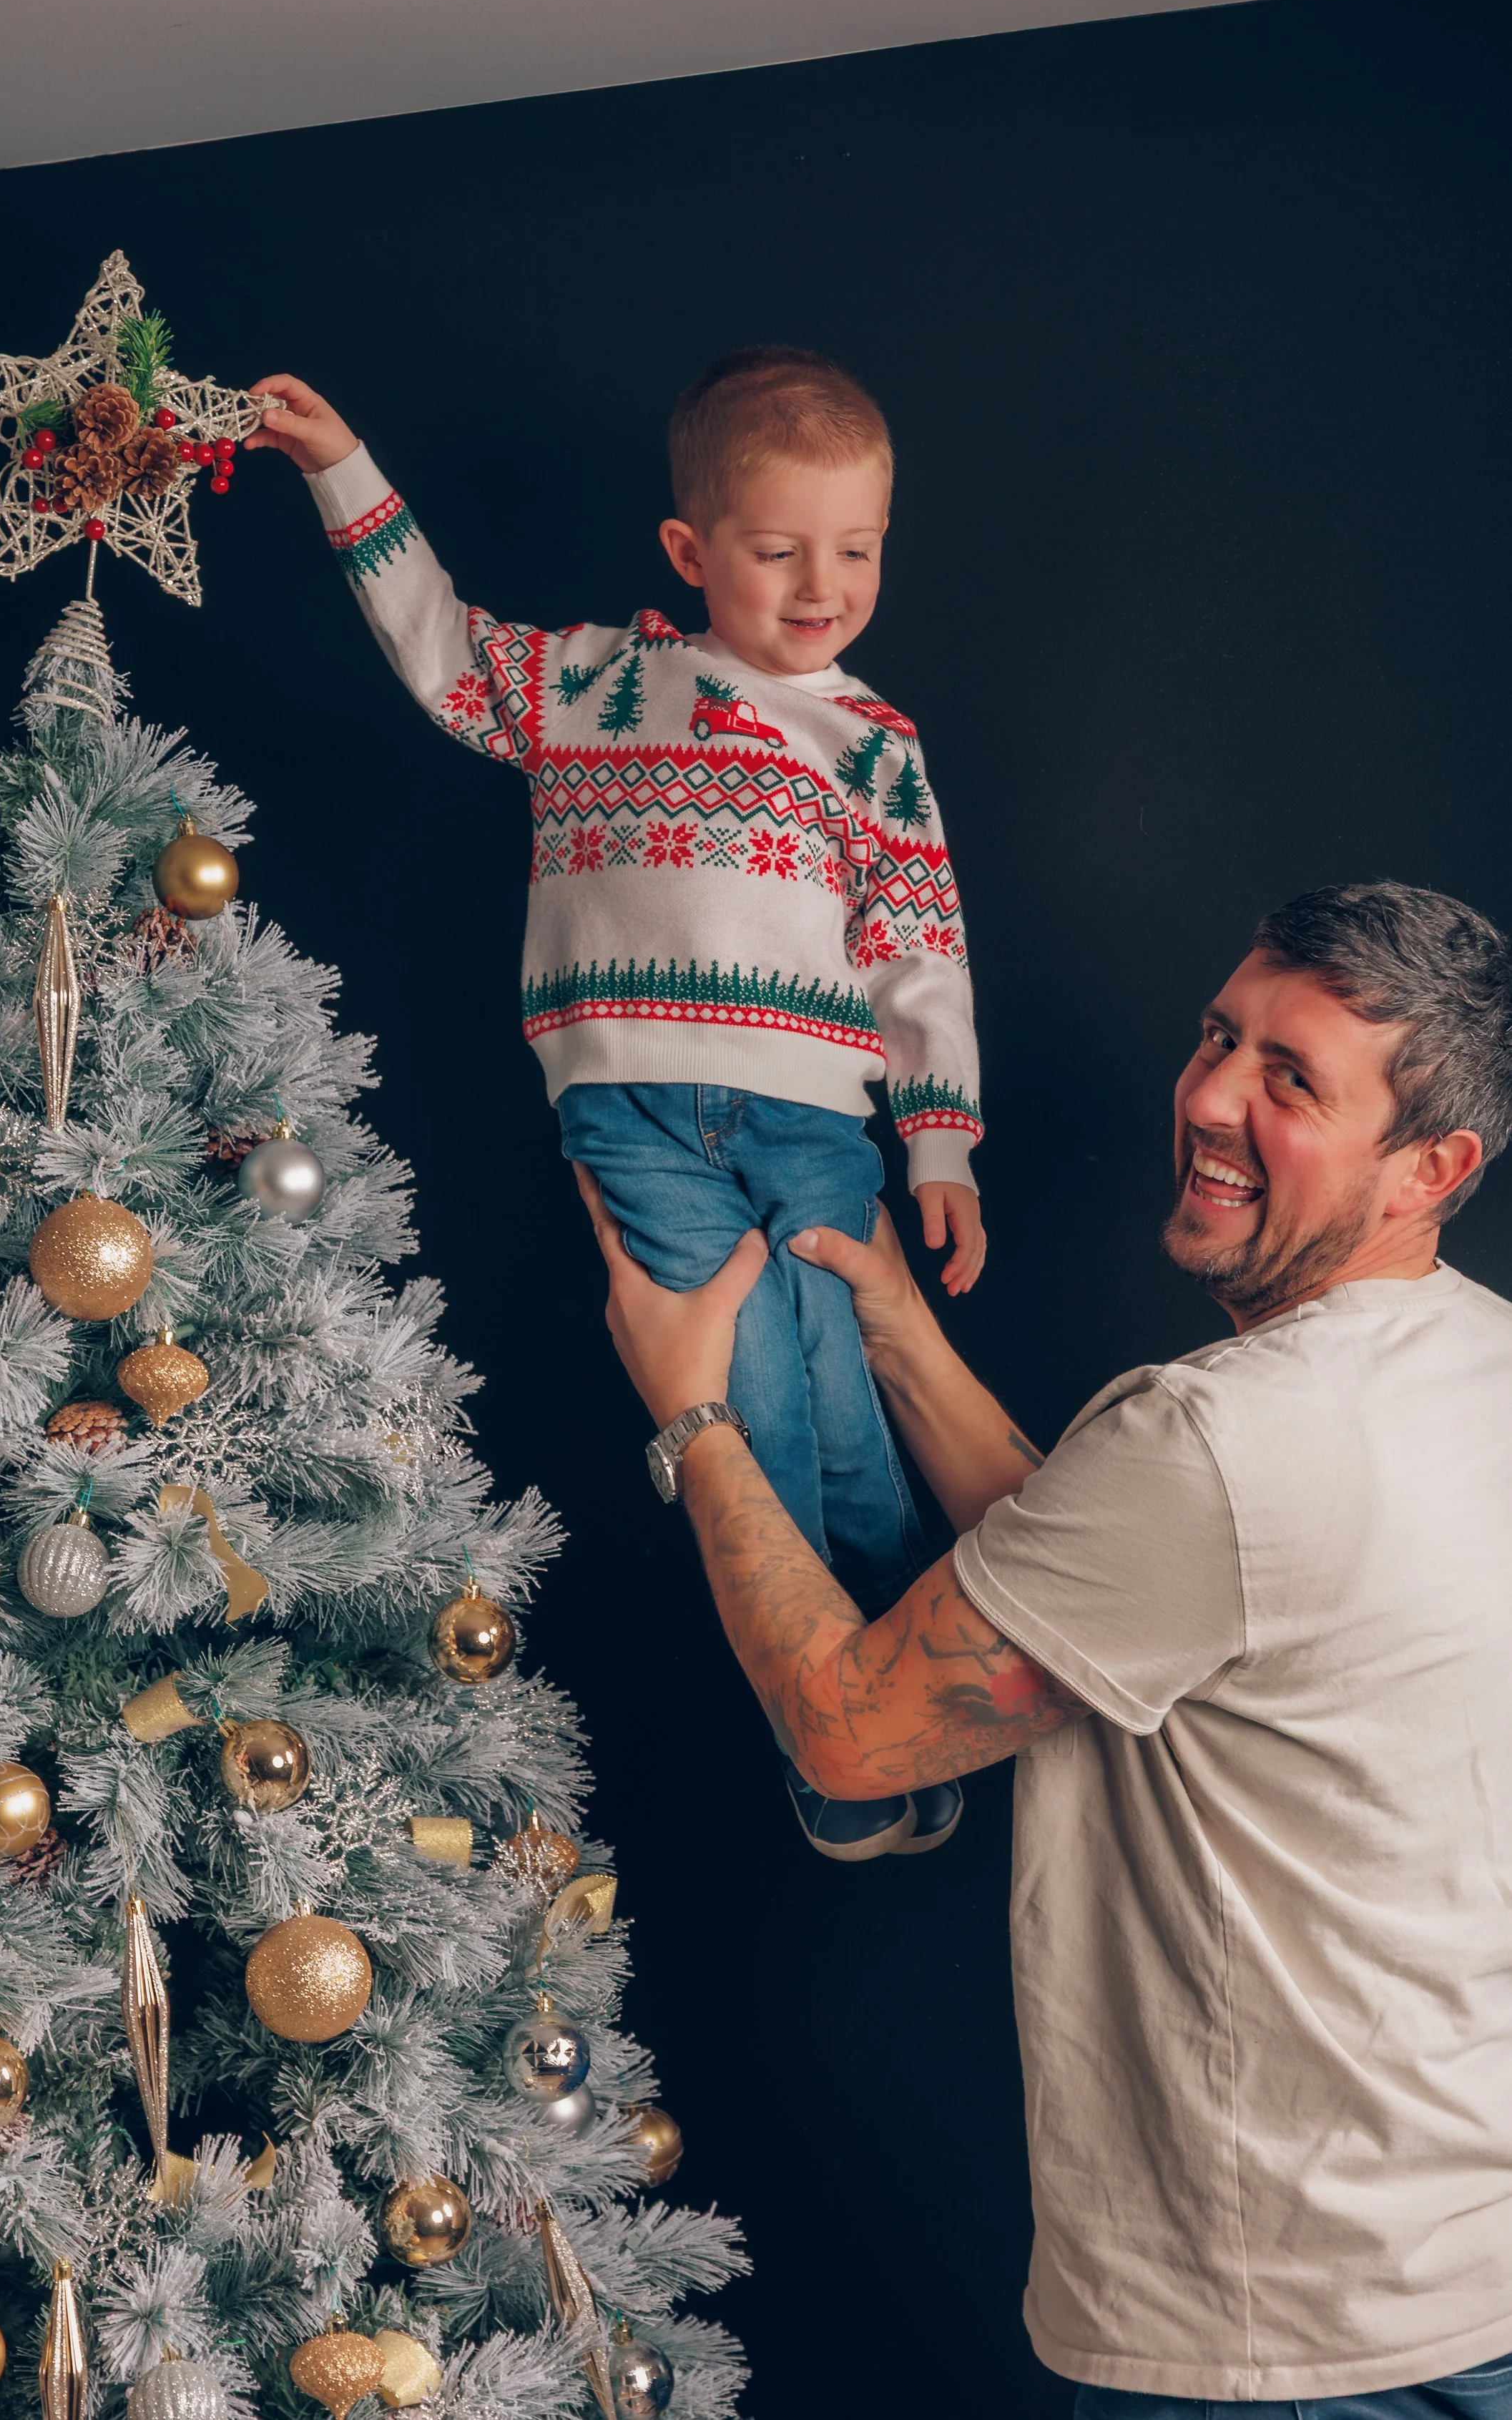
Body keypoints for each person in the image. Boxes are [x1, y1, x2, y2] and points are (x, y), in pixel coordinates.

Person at [576, 879, 1512, 2418]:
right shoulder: (1470, 1362)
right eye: (1220, 1036)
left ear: (1429, 1166)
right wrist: (891, 1324)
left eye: (1289, 1080)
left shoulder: (1219, 1440)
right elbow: (1117, 1589)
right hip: (1468, 2263)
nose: (1208, 1097)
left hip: (1286, 2345)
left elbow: (852, 1732)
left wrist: (691, 1414)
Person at [247, 351, 981, 1861]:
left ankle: (910, 1694)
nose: (818, 586)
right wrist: (339, 465)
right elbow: (437, 645)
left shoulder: (879, 748)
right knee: (752, 1405)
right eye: (778, 551)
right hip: (634, 1116)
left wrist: (940, 1144)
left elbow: (919, 955)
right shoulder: (587, 683)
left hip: (809, 1120)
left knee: (845, 1408)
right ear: (691, 552)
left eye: (855, 550)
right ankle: (828, 1736)